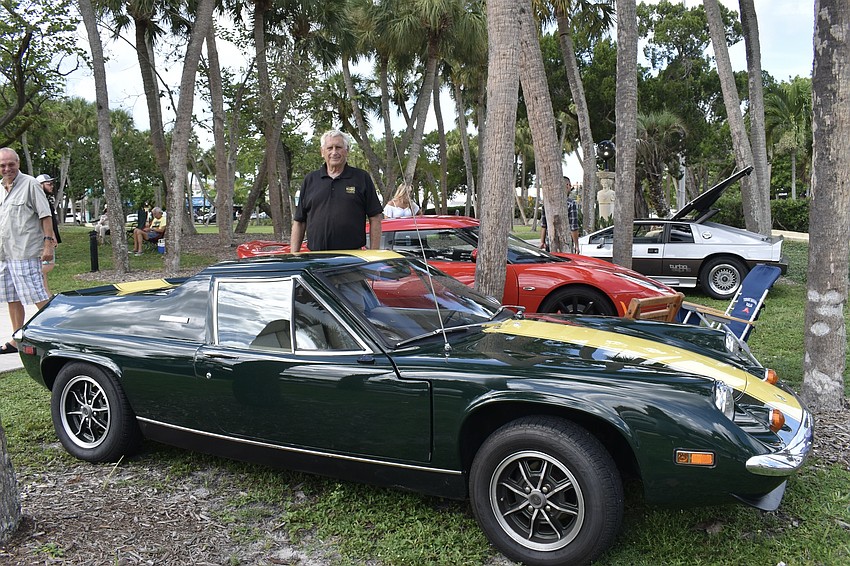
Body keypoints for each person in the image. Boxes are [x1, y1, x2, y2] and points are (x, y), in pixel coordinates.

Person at [0, 148, 57, 354]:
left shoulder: (31, 184)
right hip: (5, 254)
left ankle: (57, 335)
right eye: (2, 165)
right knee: (12, 297)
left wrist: (48, 243)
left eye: (11, 164)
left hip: (26, 251)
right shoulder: (0, 187)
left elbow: (45, 215)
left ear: (18, 163)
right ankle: (17, 339)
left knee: (38, 295)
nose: (7, 168)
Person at [291, 129, 383, 252]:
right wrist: (294, 255)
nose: (334, 152)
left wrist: (374, 254)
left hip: (352, 258)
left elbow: (375, 218)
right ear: (322, 152)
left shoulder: (361, 177)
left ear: (347, 150)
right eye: (330, 148)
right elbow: (299, 221)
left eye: (338, 147)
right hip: (316, 258)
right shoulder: (310, 180)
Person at [35, 174, 62, 296]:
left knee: (46, 267)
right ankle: (43, 292)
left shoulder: (45, 199)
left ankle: (46, 292)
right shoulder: (39, 200)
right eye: (48, 184)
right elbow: (43, 220)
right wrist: (50, 237)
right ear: (40, 185)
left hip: (48, 237)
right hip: (44, 239)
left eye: (52, 183)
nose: (52, 186)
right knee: (46, 266)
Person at [539, 176, 580, 253]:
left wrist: (542, 242)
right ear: (567, 185)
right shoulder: (571, 204)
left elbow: (544, 225)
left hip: (550, 243)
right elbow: (573, 227)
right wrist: (576, 245)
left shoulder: (547, 203)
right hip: (565, 244)